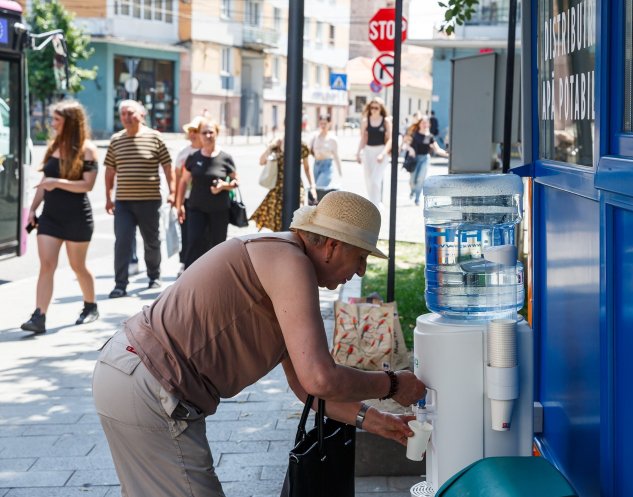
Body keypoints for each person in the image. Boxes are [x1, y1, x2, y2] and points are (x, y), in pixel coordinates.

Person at [92, 191, 427, 496]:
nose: (360, 271)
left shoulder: (284, 262)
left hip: (131, 373)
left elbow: (305, 388)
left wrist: (375, 420)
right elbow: (320, 379)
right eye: (360, 257)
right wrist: (392, 384)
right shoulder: (289, 262)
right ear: (332, 246)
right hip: (149, 382)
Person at [21, 101, 100, 334]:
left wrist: (57, 182)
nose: (52, 124)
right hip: (50, 217)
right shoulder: (54, 145)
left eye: (56, 119)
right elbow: (44, 184)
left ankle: (90, 306)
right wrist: (33, 209)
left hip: (77, 217)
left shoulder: (88, 149)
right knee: (47, 265)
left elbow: (87, 185)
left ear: (70, 122)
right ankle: (39, 316)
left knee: (78, 266)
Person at [105, 100, 175, 298]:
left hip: (149, 200)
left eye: (131, 113)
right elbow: (110, 170)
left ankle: (154, 276)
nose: (127, 117)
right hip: (124, 202)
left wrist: (172, 192)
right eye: (123, 114)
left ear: (142, 115)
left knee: (151, 241)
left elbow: (168, 167)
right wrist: (108, 197)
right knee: (122, 242)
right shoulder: (116, 140)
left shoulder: (155, 137)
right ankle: (120, 284)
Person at [175, 118, 239, 268]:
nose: (208, 135)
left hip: (219, 211)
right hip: (196, 209)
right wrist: (179, 206)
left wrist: (224, 186)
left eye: (211, 132)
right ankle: (190, 278)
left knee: (218, 246)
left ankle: (216, 279)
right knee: (194, 242)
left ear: (217, 133)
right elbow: (184, 181)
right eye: (204, 132)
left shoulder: (226, 158)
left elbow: (236, 182)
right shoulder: (193, 157)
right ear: (199, 135)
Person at [249, 135, 316, 232]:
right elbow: (261, 161)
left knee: (297, 218)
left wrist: (313, 186)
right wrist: (271, 147)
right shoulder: (276, 143)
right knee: (278, 224)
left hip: (296, 186)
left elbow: (307, 168)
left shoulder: (302, 145)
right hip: (278, 188)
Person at [173, 115, 204, 274]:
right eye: (190, 130)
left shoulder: (207, 151)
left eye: (196, 130)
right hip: (186, 198)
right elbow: (178, 177)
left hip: (205, 199)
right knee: (186, 233)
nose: (192, 134)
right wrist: (176, 199)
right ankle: (184, 262)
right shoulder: (184, 153)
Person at [404, 115, 449, 206]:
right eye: (423, 123)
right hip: (414, 159)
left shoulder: (430, 137)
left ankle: (417, 198)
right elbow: (406, 145)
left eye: (426, 123)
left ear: (429, 124)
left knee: (421, 178)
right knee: (412, 180)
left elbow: (437, 150)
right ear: (419, 124)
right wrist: (411, 149)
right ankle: (413, 190)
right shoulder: (414, 134)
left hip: (425, 158)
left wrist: (449, 155)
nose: (425, 124)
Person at [356, 97, 392, 208]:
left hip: (381, 151)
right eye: (372, 107)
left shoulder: (386, 121)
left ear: (381, 108)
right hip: (368, 151)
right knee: (368, 180)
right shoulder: (365, 121)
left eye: (376, 107)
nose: (374, 110)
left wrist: (383, 153)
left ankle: (375, 204)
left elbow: (390, 139)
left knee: (375, 180)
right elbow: (363, 138)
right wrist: (358, 152)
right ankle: (373, 203)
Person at [309, 114, 342, 203]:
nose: (323, 126)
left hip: (327, 166)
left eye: (325, 123)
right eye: (321, 123)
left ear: (329, 124)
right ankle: (318, 209)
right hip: (316, 165)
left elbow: (336, 156)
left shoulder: (333, 139)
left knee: (320, 187)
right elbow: (308, 150)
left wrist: (340, 173)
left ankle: (321, 209)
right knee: (315, 189)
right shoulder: (314, 137)